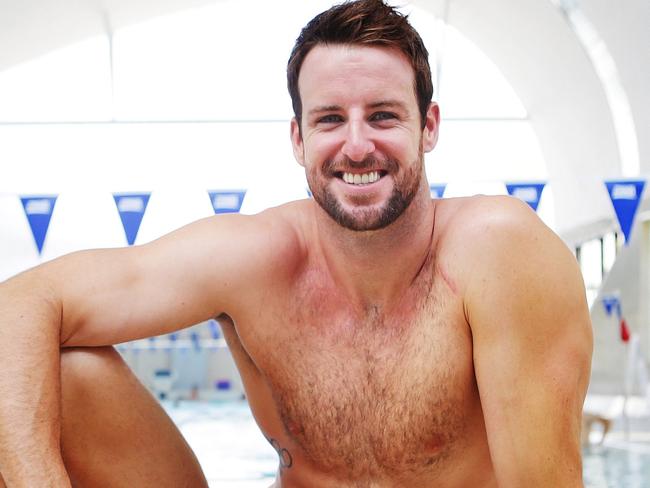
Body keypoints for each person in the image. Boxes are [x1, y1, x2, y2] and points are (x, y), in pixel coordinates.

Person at [0, 0, 593, 486]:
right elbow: (18, 304)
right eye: (330, 119)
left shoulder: (498, 251)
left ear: (429, 126)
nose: (357, 146)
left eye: (383, 116)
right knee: (61, 369)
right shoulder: (256, 259)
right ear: (298, 137)